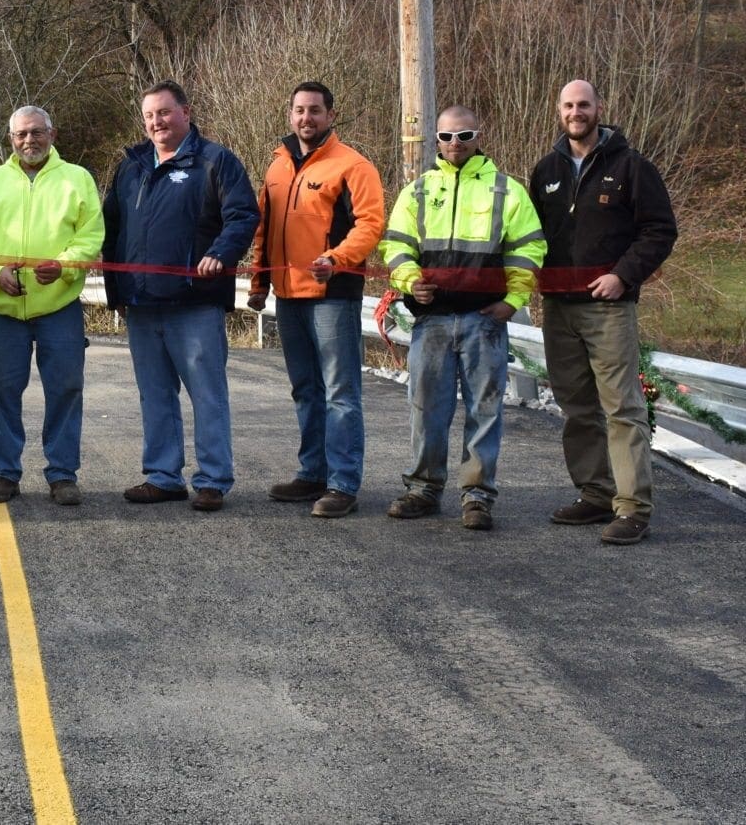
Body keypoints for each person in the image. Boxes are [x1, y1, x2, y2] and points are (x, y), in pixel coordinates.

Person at [377, 106, 545, 531]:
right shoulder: (417, 191)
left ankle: (477, 496)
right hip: (431, 319)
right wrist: (410, 280)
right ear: (435, 139)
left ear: (478, 135)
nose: (455, 144)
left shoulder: (506, 191)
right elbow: (395, 244)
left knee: (484, 410)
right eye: (447, 136)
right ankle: (423, 489)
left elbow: (528, 248)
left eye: (464, 135)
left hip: (483, 319)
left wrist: (514, 300)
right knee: (425, 409)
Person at [529, 79, 678, 546]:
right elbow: (531, 237)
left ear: (600, 109)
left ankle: (633, 507)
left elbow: (659, 230)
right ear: (559, 111)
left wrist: (623, 275)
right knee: (576, 407)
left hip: (608, 307)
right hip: (558, 308)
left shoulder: (632, 168)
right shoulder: (545, 171)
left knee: (622, 408)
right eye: (569, 106)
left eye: (584, 105)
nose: (577, 112)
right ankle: (595, 493)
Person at [102, 81, 259, 512]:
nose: (157, 122)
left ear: (185, 113)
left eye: (165, 113)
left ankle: (212, 480)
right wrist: (116, 291)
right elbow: (111, 230)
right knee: (154, 394)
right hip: (141, 303)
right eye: (150, 115)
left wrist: (220, 254)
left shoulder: (215, 161)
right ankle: (162, 476)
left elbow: (243, 214)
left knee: (207, 393)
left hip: (195, 302)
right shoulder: (130, 167)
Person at [247, 81, 387, 518]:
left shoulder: (353, 165)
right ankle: (312, 473)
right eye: (299, 110)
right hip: (288, 296)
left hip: (333, 295)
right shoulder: (276, 166)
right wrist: (258, 283)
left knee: (340, 393)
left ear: (330, 115)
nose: (305, 118)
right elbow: (263, 229)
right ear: (290, 114)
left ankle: (343, 483)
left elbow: (370, 224)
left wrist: (337, 257)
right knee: (305, 389)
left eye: (314, 110)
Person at [0, 105, 105, 507]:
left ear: (52, 134)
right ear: (10, 140)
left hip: (59, 307)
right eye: (21, 134)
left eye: (37, 132)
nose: (29, 141)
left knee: (65, 389)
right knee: (0, 390)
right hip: (3, 309)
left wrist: (63, 266)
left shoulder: (78, 179)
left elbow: (90, 236)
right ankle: (4, 473)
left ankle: (62, 474)